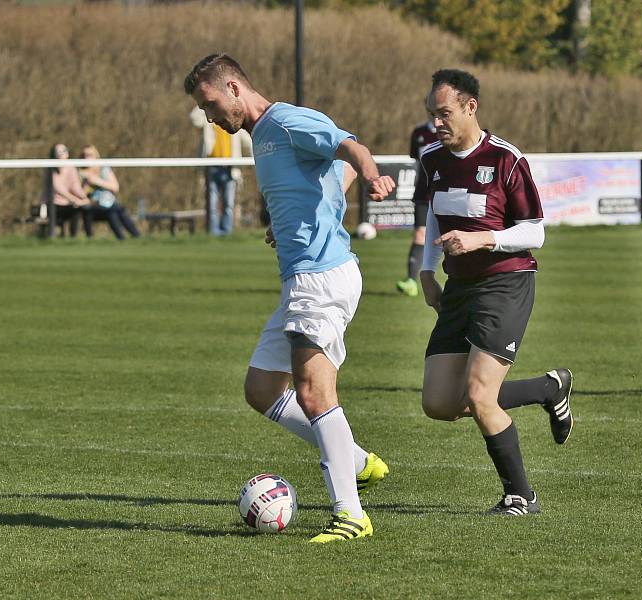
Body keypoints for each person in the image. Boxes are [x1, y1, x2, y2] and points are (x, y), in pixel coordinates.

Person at [184, 54, 396, 542]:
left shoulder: (287, 119)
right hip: (300, 278)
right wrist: (295, 222)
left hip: (321, 278)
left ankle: (351, 514)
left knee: (314, 392)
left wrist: (371, 175)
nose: (211, 116)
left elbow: (350, 147)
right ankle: (357, 461)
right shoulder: (260, 136)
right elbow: (325, 177)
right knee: (261, 388)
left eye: (211, 103)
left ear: (234, 87)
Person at [417, 69, 574, 517]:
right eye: (432, 114)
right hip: (459, 287)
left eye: (444, 113)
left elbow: (535, 233)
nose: (437, 123)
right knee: (440, 403)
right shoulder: (432, 158)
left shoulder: (506, 159)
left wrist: (483, 239)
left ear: (471, 107)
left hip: (506, 282)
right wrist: (428, 271)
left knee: (481, 395)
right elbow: (434, 212)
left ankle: (520, 495)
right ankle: (549, 388)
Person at [190, 105, 253, 236]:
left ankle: (226, 233)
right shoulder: (209, 121)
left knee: (228, 204)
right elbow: (194, 118)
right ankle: (213, 233)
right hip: (212, 166)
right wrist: (205, 102)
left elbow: (249, 142)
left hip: (230, 168)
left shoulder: (233, 125)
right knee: (211, 204)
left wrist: (256, 158)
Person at [396, 114, 438, 297]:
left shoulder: (452, 131)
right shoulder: (419, 133)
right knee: (420, 234)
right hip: (423, 194)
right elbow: (416, 158)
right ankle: (412, 281)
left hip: (445, 193)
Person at [79, 145, 141, 240]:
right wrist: (86, 184)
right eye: (84, 155)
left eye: (90, 155)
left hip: (108, 203)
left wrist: (97, 181)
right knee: (114, 211)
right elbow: (80, 195)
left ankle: (135, 237)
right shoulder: (80, 172)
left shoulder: (103, 168)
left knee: (116, 210)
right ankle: (124, 239)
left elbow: (115, 187)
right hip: (92, 205)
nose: (86, 157)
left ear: (96, 155)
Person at [40, 143, 91, 237]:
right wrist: (74, 199)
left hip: (68, 203)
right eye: (58, 151)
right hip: (52, 204)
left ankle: (76, 237)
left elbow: (75, 186)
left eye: (63, 151)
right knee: (74, 205)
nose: (61, 153)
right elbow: (58, 188)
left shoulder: (71, 167)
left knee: (81, 208)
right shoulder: (50, 168)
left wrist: (84, 198)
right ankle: (52, 236)